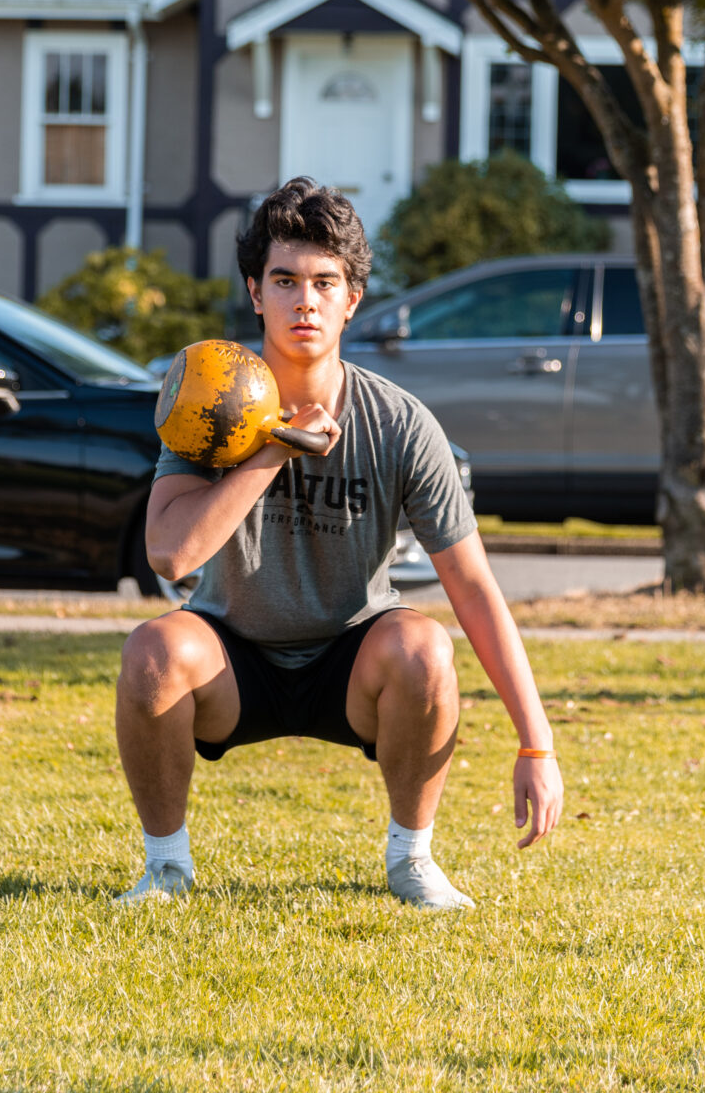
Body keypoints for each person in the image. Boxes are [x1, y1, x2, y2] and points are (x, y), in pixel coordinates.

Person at [114, 177, 563, 909]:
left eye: (325, 283)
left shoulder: (400, 423)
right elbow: (169, 554)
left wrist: (535, 744)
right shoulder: (211, 396)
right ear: (254, 292)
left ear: (352, 298)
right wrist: (270, 454)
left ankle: (410, 860)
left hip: (352, 659)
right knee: (152, 650)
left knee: (425, 646)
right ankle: (166, 868)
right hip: (233, 654)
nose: (305, 301)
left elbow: (473, 588)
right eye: (284, 280)